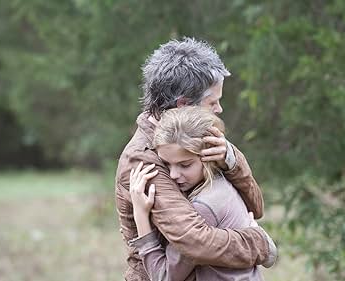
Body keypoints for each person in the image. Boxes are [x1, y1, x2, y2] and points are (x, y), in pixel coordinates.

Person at [115, 37, 276, 280]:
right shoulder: (144, 159)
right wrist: (259, 243)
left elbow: (255, 206)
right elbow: (195, 242)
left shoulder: (196, 138)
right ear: (184, 105)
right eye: (212, 102)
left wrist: (230, 158)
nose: (219, 109)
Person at [129, 106, 276, 280]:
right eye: (166, 164)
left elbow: (165, 276)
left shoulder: (204, 206)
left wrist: (140, 216)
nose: (173, 175)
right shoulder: (225, 184)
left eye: (185, 165)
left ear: (207, 156)